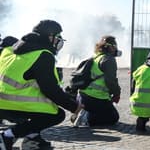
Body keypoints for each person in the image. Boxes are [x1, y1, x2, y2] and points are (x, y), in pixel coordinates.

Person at [0, 20, 81, 150]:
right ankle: (7, 137)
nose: (58, 41)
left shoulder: (10, 51)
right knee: (56, 114)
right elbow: (50, 89)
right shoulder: (43, 55)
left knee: (43, 106)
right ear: (49, 37)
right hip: (12, 104)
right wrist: (74, 106)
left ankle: (33, 139)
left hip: (2, 105)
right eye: (57, 37)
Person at [76, 35, 122, 127]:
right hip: (96, 97)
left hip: (82, 96)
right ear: (111, 47)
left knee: (107, 113)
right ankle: (87, 117)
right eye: (115, 46)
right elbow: (111, 81)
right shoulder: (109, 59)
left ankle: (84, 110)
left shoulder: (96, 56)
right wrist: (117, 94)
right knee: (113, 117)